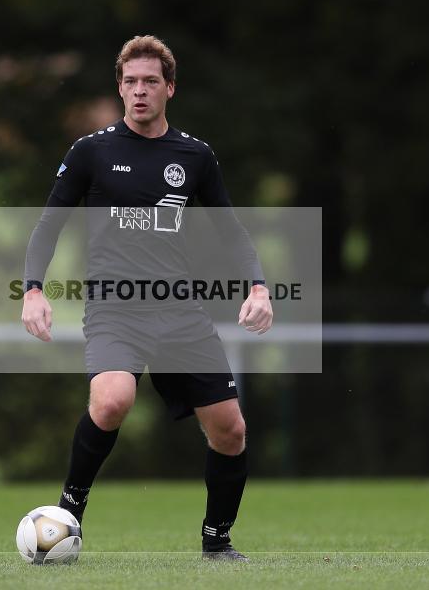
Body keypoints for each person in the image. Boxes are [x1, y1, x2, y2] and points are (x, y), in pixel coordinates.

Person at [21, 35, 272, 561]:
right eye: (131, 81)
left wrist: (258, 287)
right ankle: (67, 514)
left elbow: (231, 232)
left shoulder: (195, 156)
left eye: (150, 81)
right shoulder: (91, 151)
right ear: (119, 87)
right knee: (112, 401)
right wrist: (33, 290)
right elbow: (48, 226)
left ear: (169, 88)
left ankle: (217, 542)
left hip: (180, 312)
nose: (140, 91)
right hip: (115, 309)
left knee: (231, 430)